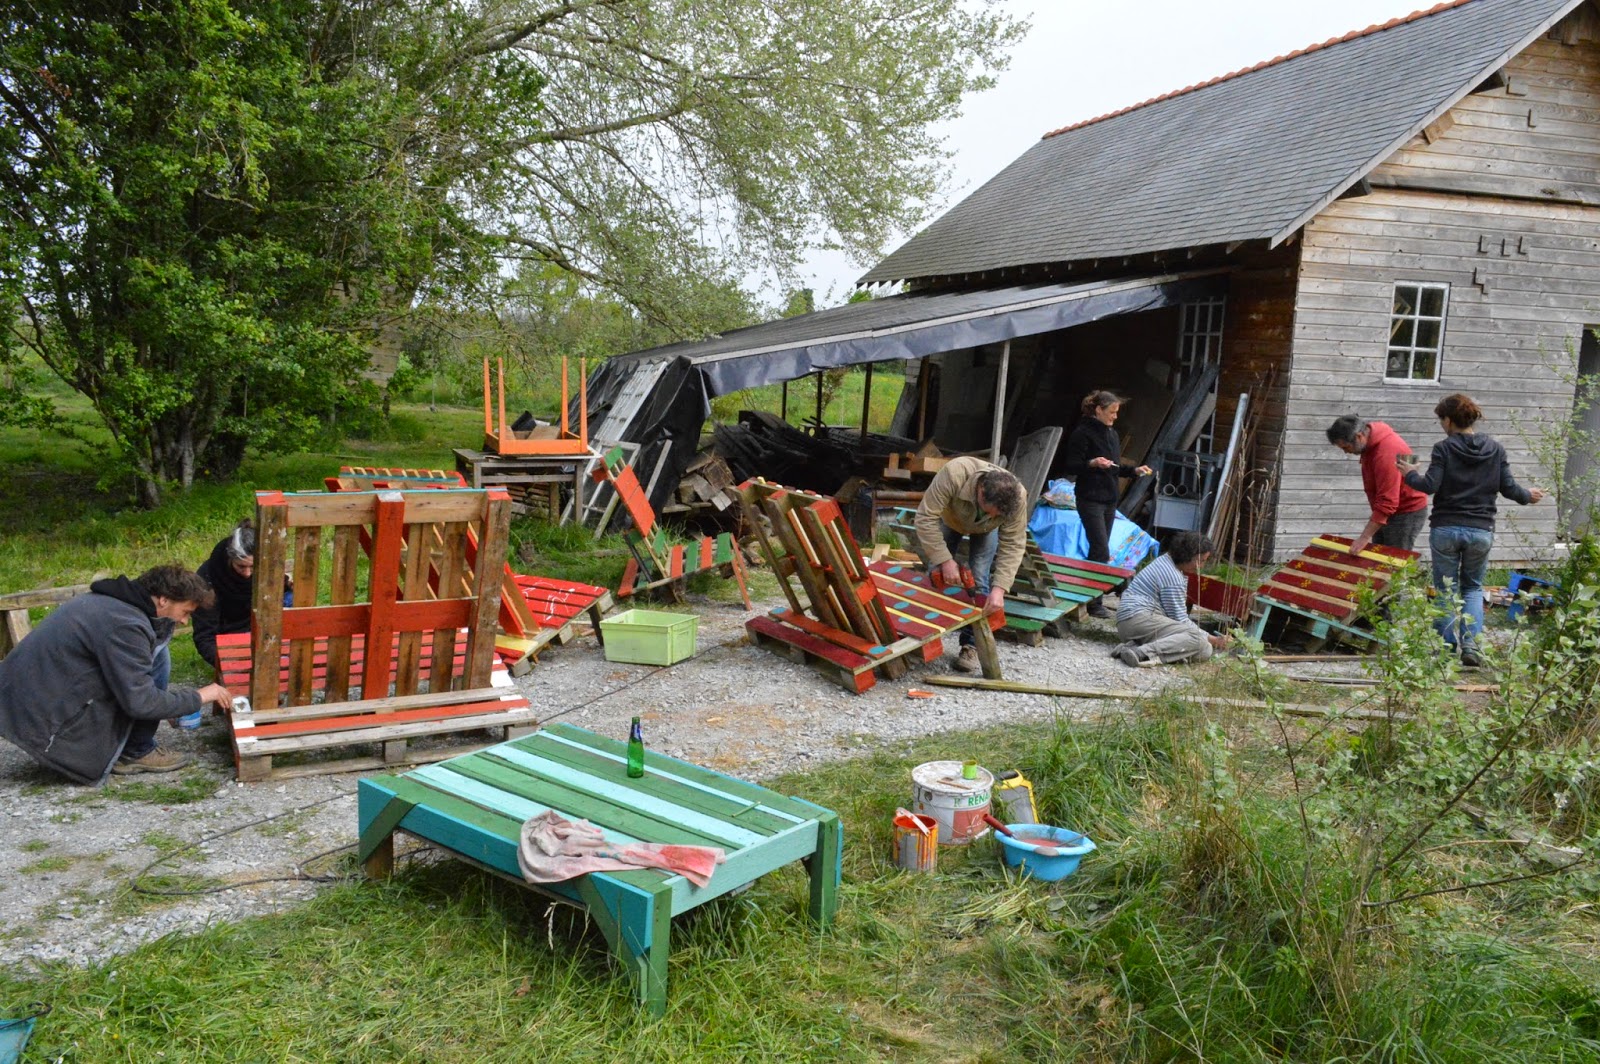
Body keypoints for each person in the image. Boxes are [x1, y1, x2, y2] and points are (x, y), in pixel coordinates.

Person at [0, 566, 232, 783]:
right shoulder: (124, 624)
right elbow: (141, 702)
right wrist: (199, 696)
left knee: (158, 654)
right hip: (37, 715)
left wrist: (166, 705)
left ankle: (134, 745)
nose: (184, 620)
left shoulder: (115, 602)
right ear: (164, 599)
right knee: (153, 667)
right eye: (186, 611)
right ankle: (135, 752)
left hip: (31, 694)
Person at [1401, 393, 1544, 668]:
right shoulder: (1496, 449)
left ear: (1449, 420)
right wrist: (1529, 495)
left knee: (1445, 590)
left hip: (1445, 528)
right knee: (1473, 588)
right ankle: (1472, 648)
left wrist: (1409, 473)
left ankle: (1445, 648)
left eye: (1441, 420)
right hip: (1481, 529)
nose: (1441, 425)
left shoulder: (1443, 448)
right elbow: (1510, 488)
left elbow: (1429, 485)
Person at [913, 457, 1028, 673]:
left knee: (980, 580)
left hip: (986, 531)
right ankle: (922, 638)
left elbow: (1014, 543)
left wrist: (1000, 589)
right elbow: (925, 518)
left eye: (997, 515)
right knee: (936, 574)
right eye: (988, 510)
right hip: (951, 518)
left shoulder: (1018, 498)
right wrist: (945, 561)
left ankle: (970, 646)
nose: (991, 516)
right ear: (981, 491)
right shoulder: (954, 473)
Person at [1062, 390, 1152, 617]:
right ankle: (1095, 602)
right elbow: (1071, 465)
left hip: (1109, 500)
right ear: (1098, 410)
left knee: (1099, 550)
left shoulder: (1111, 434)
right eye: (1112, 412)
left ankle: (1090, 598)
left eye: (1117, 412)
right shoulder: (1082, 433)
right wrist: (1092, 463)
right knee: (1101, 550)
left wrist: (1134, 471)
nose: (1115, 416)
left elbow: (1113, 466)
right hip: (1089, 499)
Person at [1112, 531, 1229, 666]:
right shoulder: (1172, 577)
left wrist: (1210, 642)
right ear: (1188, 555)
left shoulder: (1165, 561)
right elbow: (1180, 619)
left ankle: (1131, 647)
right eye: (1201, 561)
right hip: (1138, 619)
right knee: (1198, 640)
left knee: (1205, 650)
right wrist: (1214, 639)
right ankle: (1142, 653)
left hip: (1130, 622)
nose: (1201, 567)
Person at [192, 518, 288, 675]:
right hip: (228, 634)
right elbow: (205, 636)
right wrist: (226, 663)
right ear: (230, 559)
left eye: (253, 567)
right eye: (241, 566)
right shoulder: (207, 580)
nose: (247, 574)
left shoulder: (266, 568)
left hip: (259, 626)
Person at [1325, 415, 1429, 554]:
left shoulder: (1386, 453)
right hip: (1388, 510)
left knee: (1394, 562)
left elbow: (1388, 501)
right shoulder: (1370, 443)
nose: (1346, 452)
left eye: (1346, 447)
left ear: (1359, 436)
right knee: (1376, 558)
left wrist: (1364, 537)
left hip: (1406, 512)